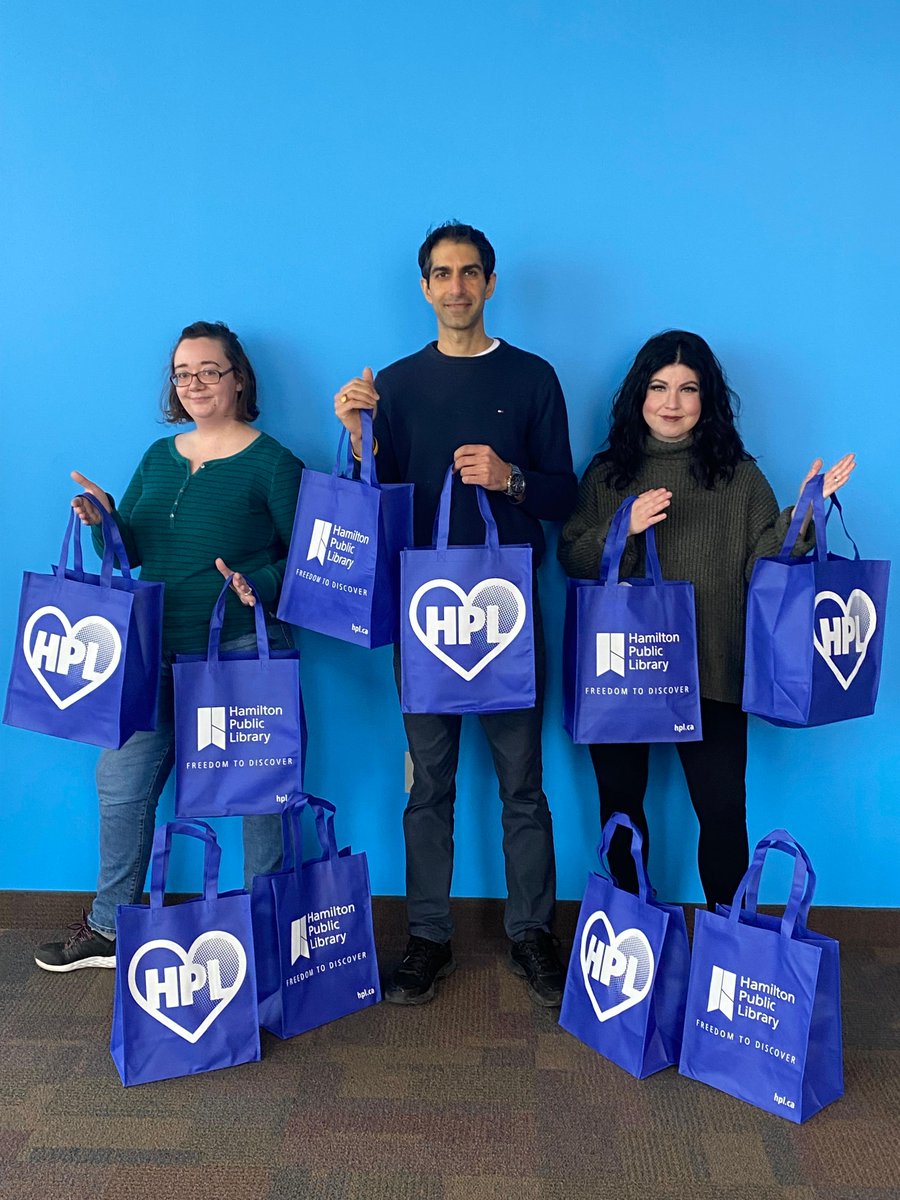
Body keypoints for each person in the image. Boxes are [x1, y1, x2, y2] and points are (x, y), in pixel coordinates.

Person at [334, 222, 578, 1006]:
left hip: (508, 611)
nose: (457, 288)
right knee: (428, 785)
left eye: (471, 273)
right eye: (442, 274)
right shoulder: (396, 387)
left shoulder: (534, 377)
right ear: (424, 287)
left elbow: (564, 496)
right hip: (425, 614)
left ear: (492, 283)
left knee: (522, 785)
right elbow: (381, 507)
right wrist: (358, 440)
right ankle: (428, 939)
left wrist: (510, 480)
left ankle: (531, 934)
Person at [35, 321, 304, 971]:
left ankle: (264, 928)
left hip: (238, 652)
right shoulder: (158, 459)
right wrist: (105, 520)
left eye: (210, 370)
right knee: (122, 785)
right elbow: (132, 554)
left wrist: (255, 582)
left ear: (239, 377)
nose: (195, 384)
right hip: (150, 651)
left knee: (259, 795)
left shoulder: (274, 461)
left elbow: (306, 562)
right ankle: (107, 928)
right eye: (184, 373)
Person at [558, 329, 855, 907]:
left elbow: (766, 567)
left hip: (713, 669)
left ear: (707, 398)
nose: (672, 402)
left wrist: (803, 517)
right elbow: (573, 553)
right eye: (659, 387)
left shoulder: (739, 476)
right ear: (638, 396)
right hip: (622, 672)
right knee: (621, 805)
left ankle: (728, 938)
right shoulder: (607, 473)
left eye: (688, 389)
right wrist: (626, 529)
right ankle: (627, 931)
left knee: (722, 811)